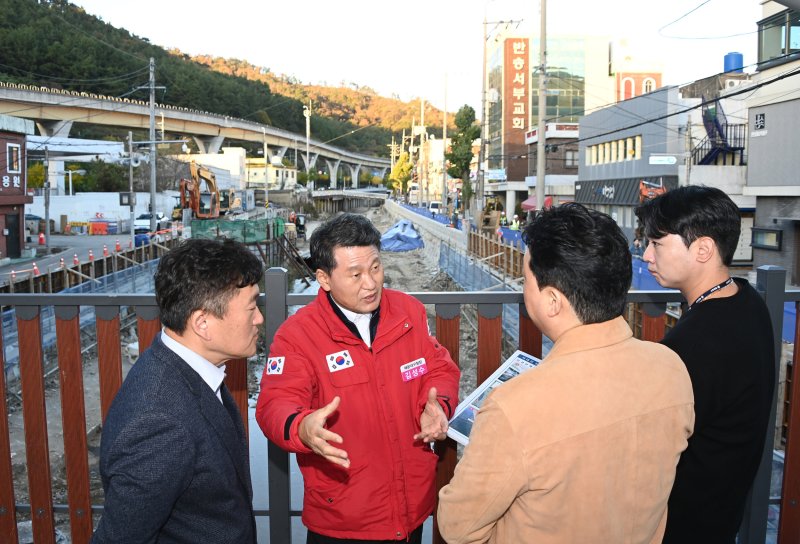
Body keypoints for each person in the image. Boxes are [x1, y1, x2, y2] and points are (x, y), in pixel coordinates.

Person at [437, 203, 694, 544]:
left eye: (526, 279)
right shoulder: (671, 369)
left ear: (553, 301)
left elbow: (457, 526)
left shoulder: (515, 405)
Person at [256, 213, 460, 543]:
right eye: (355, 274)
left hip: (411, 506)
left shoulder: (409, 313)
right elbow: (273, 405)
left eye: (375, 268)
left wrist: (439, 406)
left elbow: (440, 369)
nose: (371, 283)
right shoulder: (297, 336)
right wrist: (301, 427)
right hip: (344, 517)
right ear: (324, 278)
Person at [92, 238, 263, 543]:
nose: (259, 318)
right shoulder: (160, 421)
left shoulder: (182, 369)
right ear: (202, 323)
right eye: (252, 306)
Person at [636, 185, 775, 543]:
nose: (646, 255)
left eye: (657, 243)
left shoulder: (692, 344)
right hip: (722, 512)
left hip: (683, 522)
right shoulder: (747, 299)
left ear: (703, 249)